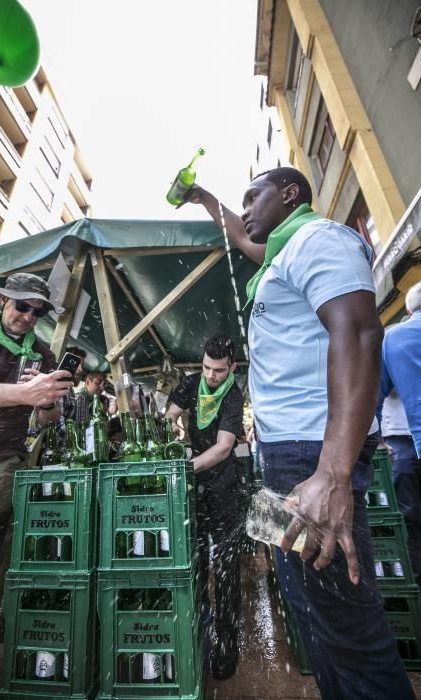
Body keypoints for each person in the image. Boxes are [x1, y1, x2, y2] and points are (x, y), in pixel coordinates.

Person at [180, 168, 415, 699]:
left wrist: (332, 472)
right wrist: (202, 198)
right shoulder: (281, 254)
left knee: (350, 631)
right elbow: (239, 235)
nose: (244, 210)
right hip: (288, 456)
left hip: (316, 455)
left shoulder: (319, 238)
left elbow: (358, 332)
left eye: (252, 196)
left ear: (290, 195)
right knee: (317, 619)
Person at [0, 272, 75, 696]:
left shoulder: (41, 353)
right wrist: (23, 394)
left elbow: (43, 419)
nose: (29, 315)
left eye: (38, 310)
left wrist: (49, 403)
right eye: (22, 305)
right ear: (3, 299)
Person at [166, 335, 245, 681]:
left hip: (225, 487)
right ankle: (199, 627)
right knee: (196, 560)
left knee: (226, 570)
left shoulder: (233, 394)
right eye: (207, 368)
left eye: (219, 370)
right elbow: (168, 414)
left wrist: (186, 467)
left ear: (232, 367)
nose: (212, 376)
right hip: (196, 490)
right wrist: (169, 425)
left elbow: (225, 447)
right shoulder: (191, 384)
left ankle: (226, 644)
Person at [378, 287, 421, 587]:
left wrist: (377, 440)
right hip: (403, 441)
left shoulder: (393, 339)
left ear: (407, 312)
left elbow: (375, 396)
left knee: (413, 519)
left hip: (402, 444)